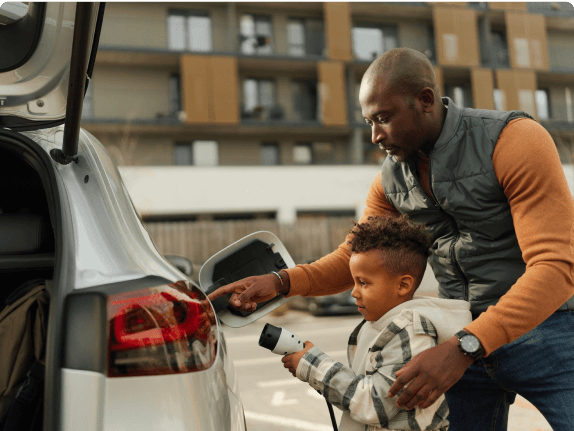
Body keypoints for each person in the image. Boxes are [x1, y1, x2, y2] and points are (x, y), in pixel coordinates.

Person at [208, 47, 574, 430]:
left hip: (545, 330)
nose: (374, 135)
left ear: (425, 100)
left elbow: (555, 267)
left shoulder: (514, 140)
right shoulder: (389, 181)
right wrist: (281, 283)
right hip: (455, 336)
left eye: (383, 119)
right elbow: (353, 258)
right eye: (368, 122)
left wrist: (465, 345)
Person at [281, 214, 471, 431]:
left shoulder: (409, 330)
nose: (354, 292)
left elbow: (376, 404)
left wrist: (313, 366)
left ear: (403, 285)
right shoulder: (384, 323)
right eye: (354, 282)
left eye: (363, 283)